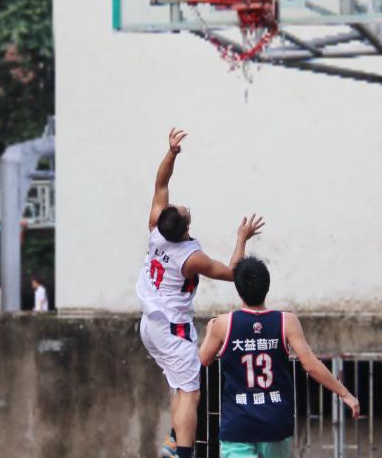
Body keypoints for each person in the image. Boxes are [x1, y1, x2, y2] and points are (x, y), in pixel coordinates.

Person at [137, 128, 265, 458]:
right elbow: (233, 272)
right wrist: (241, 239)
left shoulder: (155, 230)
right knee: (191, 394)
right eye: (184, 211)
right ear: (185, 229)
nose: (179, 205)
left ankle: (172, 441)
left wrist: (171, 153)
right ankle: (183, 453)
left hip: (150, 325)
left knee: (181, 386)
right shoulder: (191, 258)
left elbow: (161, 183)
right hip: (172, 329)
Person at [199, 257, 361, 458]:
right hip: (275, 420)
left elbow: (203, 360)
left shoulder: (223, 323)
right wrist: (345, 394)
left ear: (238, 289)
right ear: (267, 286)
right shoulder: (287, 321)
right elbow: (311, 365)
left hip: (238, 423)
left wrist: (210, 331)